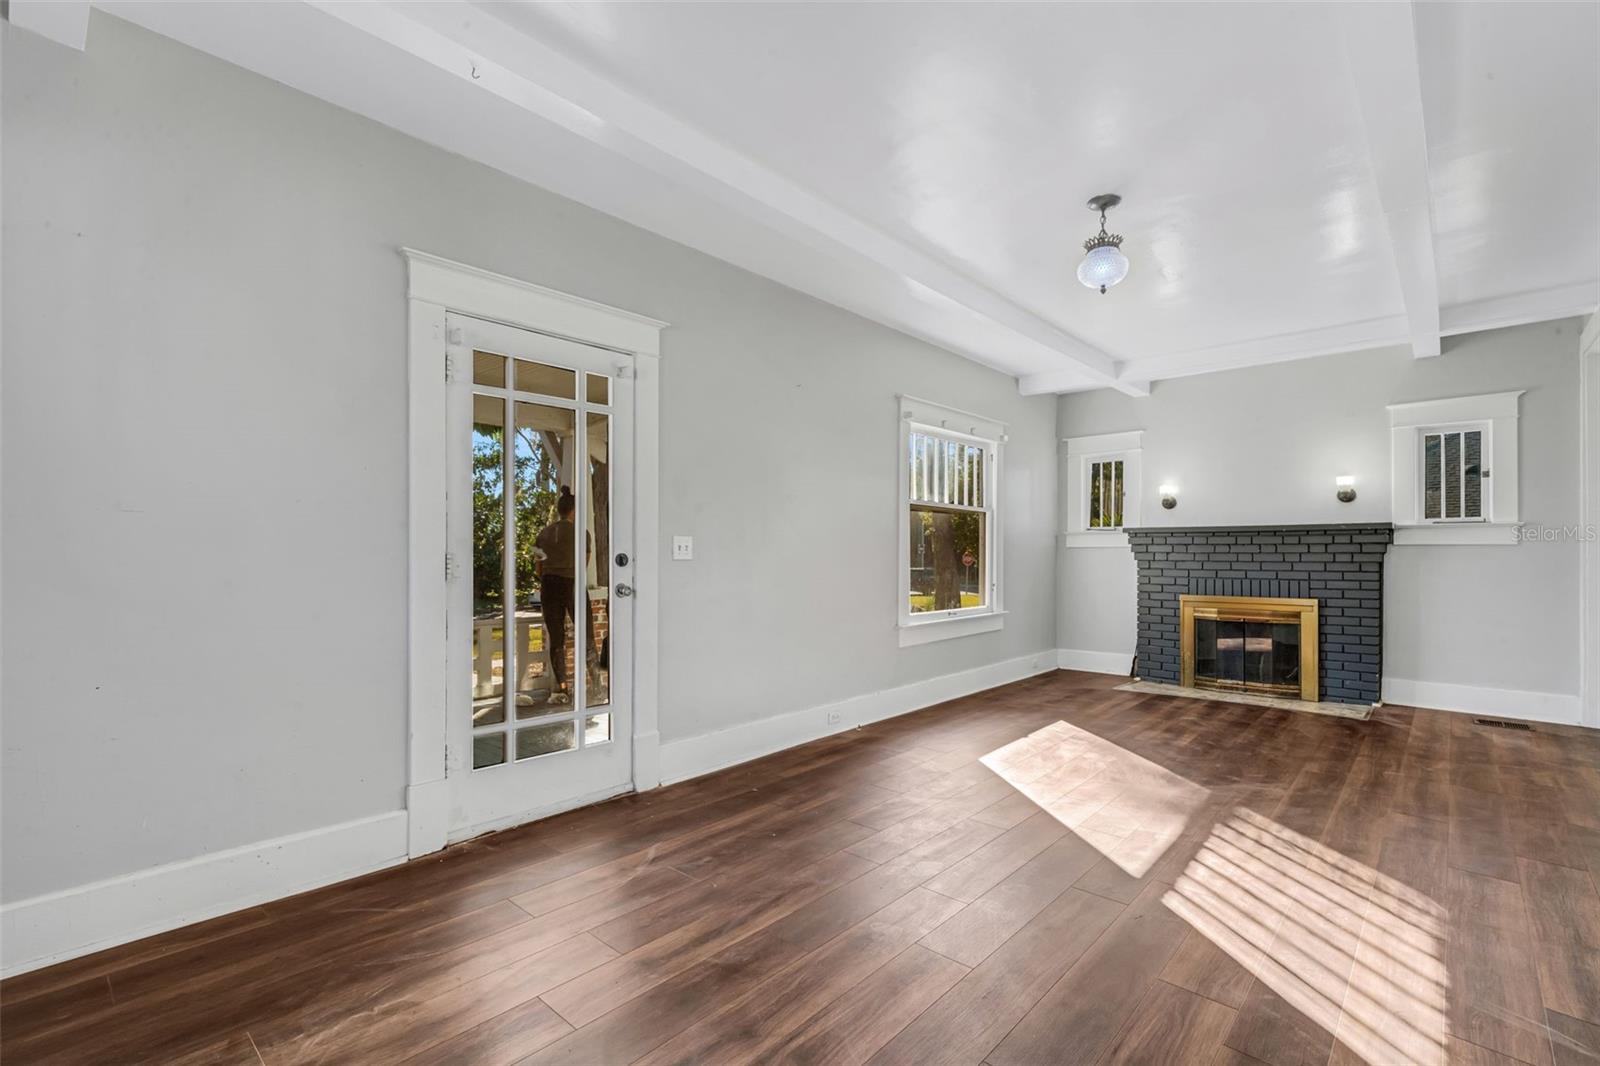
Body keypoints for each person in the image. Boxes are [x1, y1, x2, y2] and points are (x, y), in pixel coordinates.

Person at [535, 486, 595, 703]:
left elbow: (539, 568)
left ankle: (562, 689)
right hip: (572, 584)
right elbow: (584, 564)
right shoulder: (582, 533)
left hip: (549, 586)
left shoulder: (543, 534)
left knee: (557, 638)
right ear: (574, 510)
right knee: (586, 633)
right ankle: (596, 683)